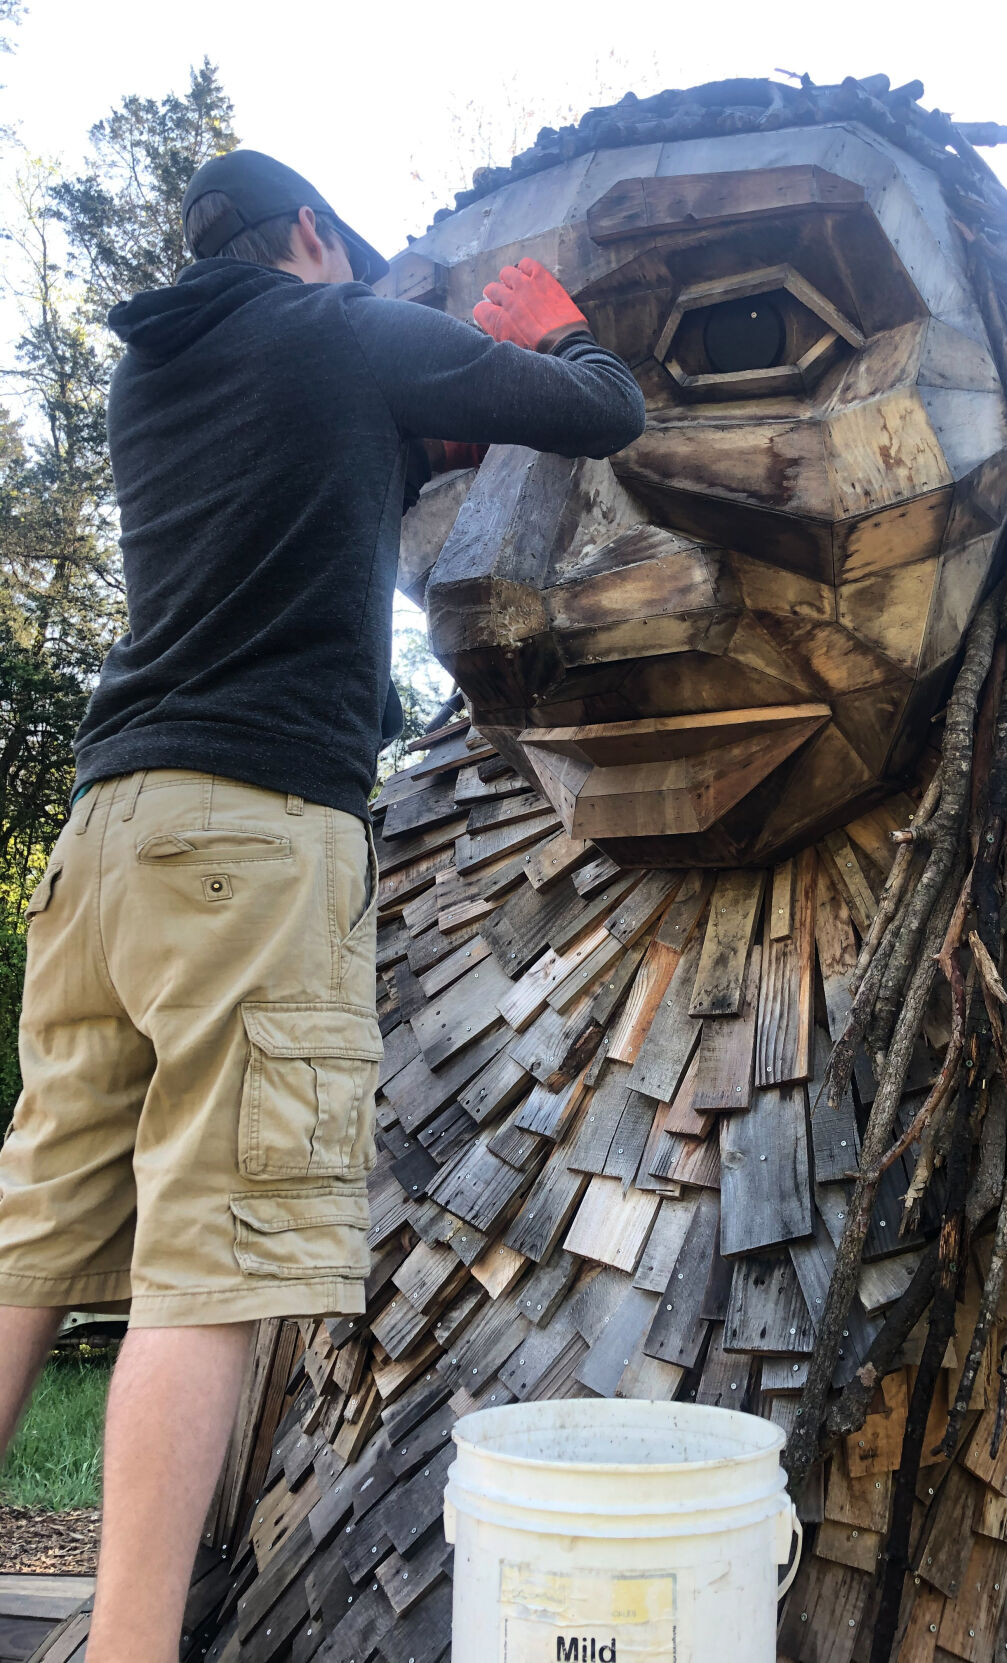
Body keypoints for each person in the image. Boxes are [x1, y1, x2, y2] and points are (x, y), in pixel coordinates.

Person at [0, 148, 644, 1663]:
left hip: (107, 834)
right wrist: (554, 330)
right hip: (252, 828)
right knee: (216, 1257)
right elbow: (603, 412)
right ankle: (135, 1647)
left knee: (29, 1231)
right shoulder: (342, 326)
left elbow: (310, 470)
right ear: (310, 233)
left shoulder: (156, 379)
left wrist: (423, 441)